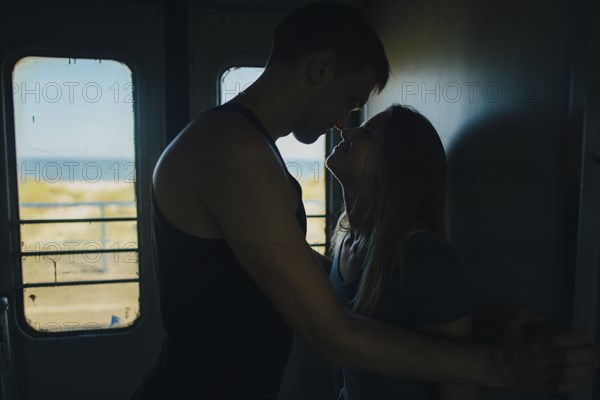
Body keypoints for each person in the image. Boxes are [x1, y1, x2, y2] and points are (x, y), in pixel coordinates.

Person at [132, 2, 598, 399]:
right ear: (321, 68)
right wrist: (496, 365)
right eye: (351, 99)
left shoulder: (249, 147)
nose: (343, 121)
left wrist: (467, 323)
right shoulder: (231, 149)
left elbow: (328, 292)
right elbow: (329, 331)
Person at [325, 104, 481, 399]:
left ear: (391, 167)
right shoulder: (347, 240)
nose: (346, 131)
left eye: (367, 131)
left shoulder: (423, 257)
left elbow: (461, 388)